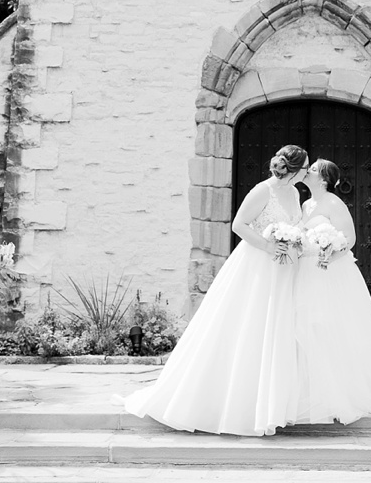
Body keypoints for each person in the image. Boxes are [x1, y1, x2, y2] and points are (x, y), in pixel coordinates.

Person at [124, 144, 309, 436]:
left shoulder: (296, 193)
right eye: (306, 167)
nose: (308, 172)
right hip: (257, 267)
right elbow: (239, 224)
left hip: (283, 271)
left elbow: (295, 225)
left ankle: (273, 403)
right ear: (295, 170)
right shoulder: (264, 191)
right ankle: (235, 405)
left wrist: (296, 241)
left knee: (275, 330)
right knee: (247, 328)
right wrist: (269, 245)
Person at [292, 159, 371, 424]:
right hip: (305, 272)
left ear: (324, 178)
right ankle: (308, 391)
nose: (308, 171)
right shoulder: (306, 204)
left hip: (329, 273)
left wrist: (330, 252)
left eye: (314, 169)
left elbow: (349, 239)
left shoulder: (333, 203)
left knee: (328, 326)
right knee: (304, 327)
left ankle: (339, 394)